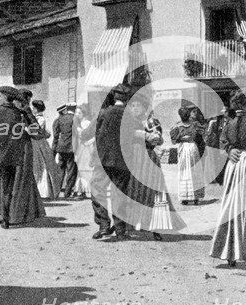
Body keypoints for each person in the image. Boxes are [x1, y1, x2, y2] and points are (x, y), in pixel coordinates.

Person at [84, 83, 148, 240]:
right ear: (127, 99)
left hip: (102, 160)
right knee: (119, 194)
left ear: (114, 96)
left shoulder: (103, 113)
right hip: (123, 161)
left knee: (97, 190)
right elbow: (138, 136)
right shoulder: (132, 117)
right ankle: (120, 230)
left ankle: (103, 224)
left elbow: (86, 134)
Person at [210, 90, 246, 266]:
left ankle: (229, 252)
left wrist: (229, 150)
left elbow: (222, 141)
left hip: (234, 165)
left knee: (231, 205)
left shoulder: (229, 123)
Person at [126, 93, 185, 240]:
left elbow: (157, 139)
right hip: (134, 157)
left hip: (147, 158)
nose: (134, 108)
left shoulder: (151, 121)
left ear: (144, 107)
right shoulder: (130, 121)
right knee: (135, 190)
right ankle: (133, 223)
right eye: (132, 105)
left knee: (153, 190)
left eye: (137, 105)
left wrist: (140, 134)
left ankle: (156, 226)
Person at [0, 86, 27, 230]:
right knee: (8, 190)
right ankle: (6, 221)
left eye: (1, 96)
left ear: (6, 98)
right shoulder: (18, 114)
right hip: (11, 157)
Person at [170, 107, 205, 205]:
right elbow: (173, 141)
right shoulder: (178, 126)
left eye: (186, 114)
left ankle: (194, 196)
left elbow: (201, 133)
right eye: (183, 114)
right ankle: (186, 196)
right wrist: (182, 139)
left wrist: (186, 138)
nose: (185, 116)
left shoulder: (194, 124)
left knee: (193, 170)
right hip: (185, 148)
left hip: (192, 148)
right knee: (185, 170)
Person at [31, 100, 62, 199]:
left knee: (42, 165)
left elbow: (38, 131)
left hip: (39, 143)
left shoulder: (40, 119)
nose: (32, 109)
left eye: (34, 108)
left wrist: (45, 134)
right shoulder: (36, 118)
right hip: (37, 142)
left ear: (36, 109)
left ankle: (43, 192)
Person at [52, 103, 78, 199]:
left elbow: (56, 135)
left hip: (61, 147)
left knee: (61, 169)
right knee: (71, 171)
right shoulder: (75, 118)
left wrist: (54, 148)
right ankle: (67, 193)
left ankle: (56, 193)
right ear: (74, 109)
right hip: (72, 148)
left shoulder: (59, 119)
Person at [73, 105, 94, 199]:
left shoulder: (87, 123)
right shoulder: (77, 123)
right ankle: (80, 190)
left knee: (87, 169)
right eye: (76, 113)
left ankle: (88, 190)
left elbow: (94, 136)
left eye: (79, 113)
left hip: (87, 148)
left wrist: (88, 143)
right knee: (80, 169)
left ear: (84, 114)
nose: (77, 115)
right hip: (81, 147)